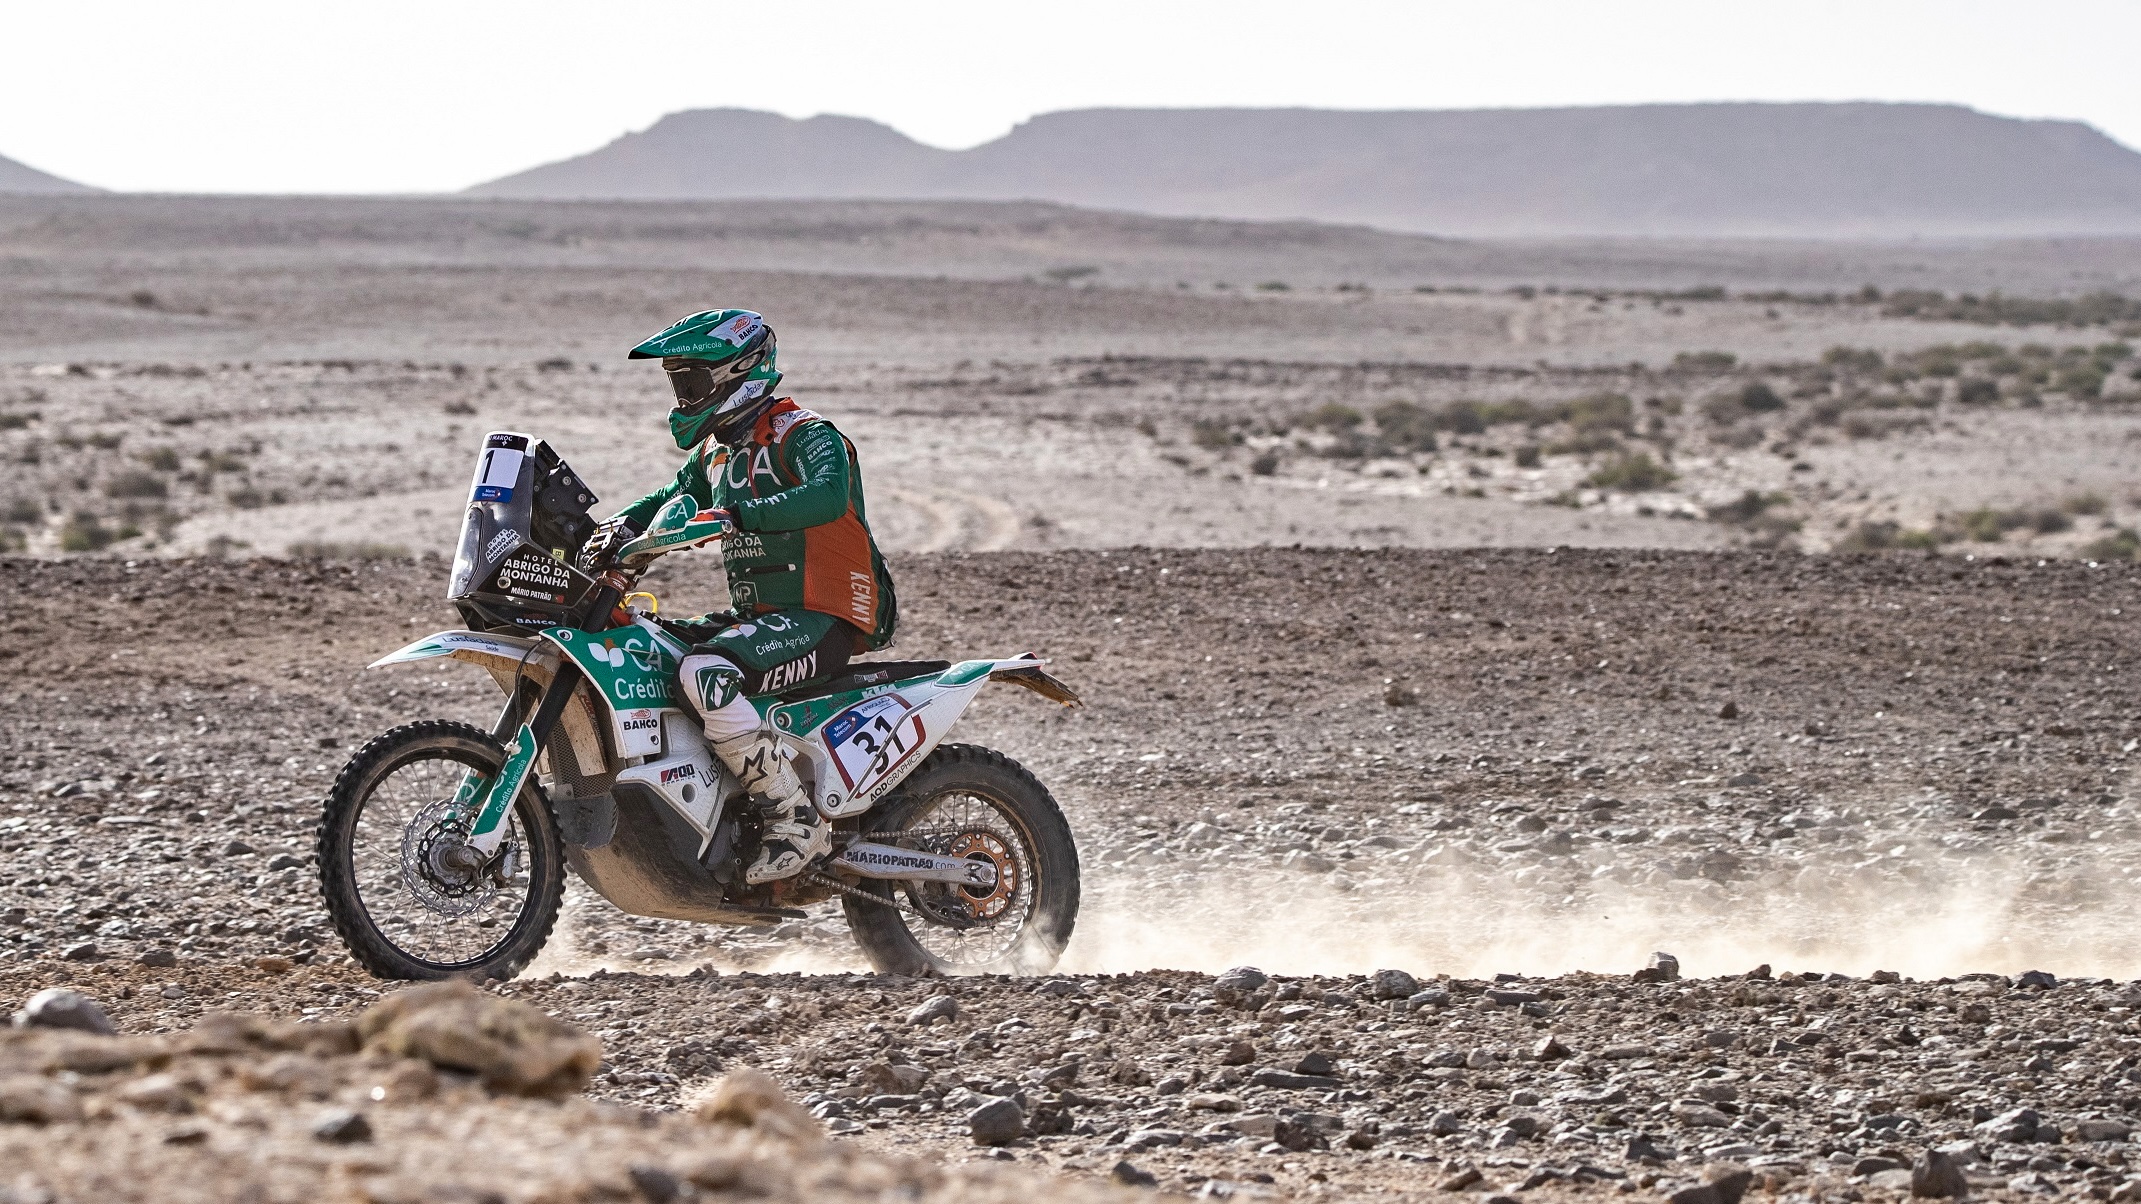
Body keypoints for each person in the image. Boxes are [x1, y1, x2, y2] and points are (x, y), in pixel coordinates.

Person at [579, 309, 897, 884]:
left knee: (705, 674)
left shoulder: (805, 433)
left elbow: (826, 495)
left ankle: (794, 816)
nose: (682, 395)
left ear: (739, 371)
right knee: (650, 646)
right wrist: (608, 530)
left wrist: (735, 515)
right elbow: (666, 496)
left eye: (691, 381)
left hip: (821, 617)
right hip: (763, 619)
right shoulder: (718, 453)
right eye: (677, 383)